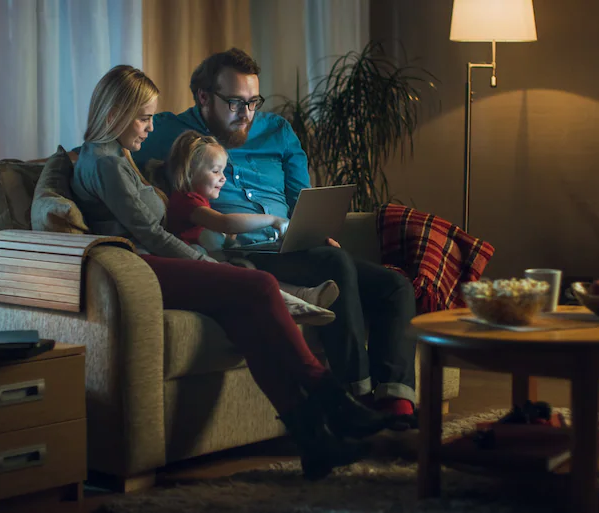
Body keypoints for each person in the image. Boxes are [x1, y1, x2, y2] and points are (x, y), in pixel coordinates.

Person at [70, 64, 389, 480]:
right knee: (259, 283)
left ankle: (315, 442)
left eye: (151, 117)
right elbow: (151, 233)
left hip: (151, 261)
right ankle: (331, 398)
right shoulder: (106, 164)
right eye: (144, 117)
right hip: (139, 268)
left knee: (244, 317)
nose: (150, 128)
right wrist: (204, 263)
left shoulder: (117, 155)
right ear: (115, 113)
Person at [132, 49, 419, 429]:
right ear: (204, 97)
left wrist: (318, 230)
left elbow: (305, 200)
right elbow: (111, 149)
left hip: (293, 247)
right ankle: (355, 396)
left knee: (395, 285)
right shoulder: (166, 132)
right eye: (235, 103)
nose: (246, 114)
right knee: (332, 265)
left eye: (253, 102)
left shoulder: (278, 132)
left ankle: (396, 405)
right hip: (243, 254)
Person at [161, 129, 339, 326]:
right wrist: (272, 220)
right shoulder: (185, 201)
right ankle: (297, 303)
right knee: (246, 275)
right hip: (194, 268)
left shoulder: (198, 201)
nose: (223, 178)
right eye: (215, 171)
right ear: (189, 171)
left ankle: (304, 296)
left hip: (208, 260)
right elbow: (224, 222)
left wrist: (229, 238)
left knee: (248, 269)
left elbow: (219, 233)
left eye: (223, 171)